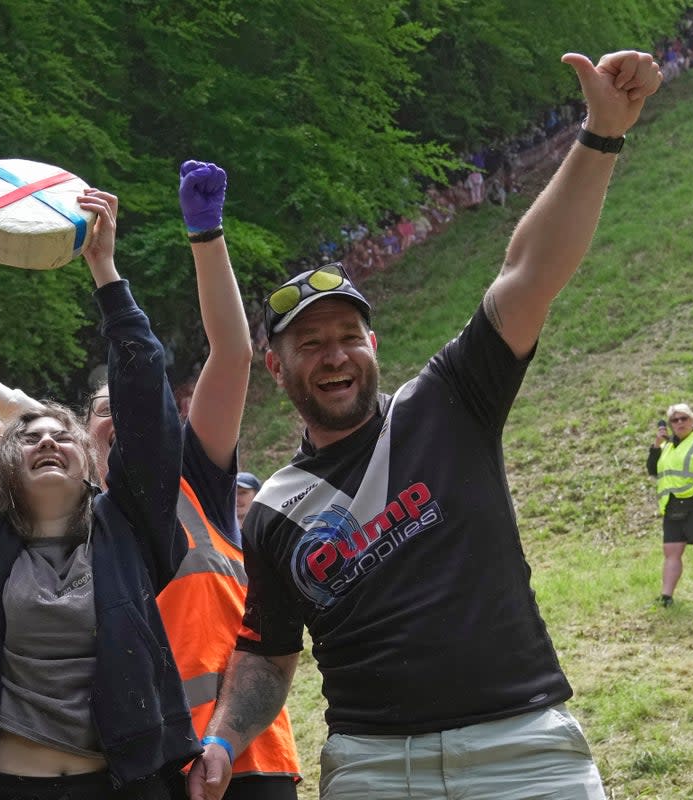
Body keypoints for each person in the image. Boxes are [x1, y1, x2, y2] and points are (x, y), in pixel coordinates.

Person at [188, 50, 663, 800]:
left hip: (525, 751)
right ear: (277, 372)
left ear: (373, 347)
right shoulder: (274, 508)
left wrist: (600, 137)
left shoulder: (448, 402)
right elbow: (267, 654)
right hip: (375, 770)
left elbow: (527, 270)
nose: (334, 355)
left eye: (348, 336)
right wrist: (222, 735)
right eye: (309, 344)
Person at [0, 162, 301, 800]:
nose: (120, 420)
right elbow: (43, 428)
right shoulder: (79, 528)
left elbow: (232, 352)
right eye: (101, 416)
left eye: (133, 411)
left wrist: (207, 237)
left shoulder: (194, 478)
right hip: (147, 766)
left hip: (249, 755)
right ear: (85, 449)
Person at [0, 178, 198, 800]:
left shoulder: (129, 524)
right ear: (4, 466)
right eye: (30, 435)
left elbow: (148, 400)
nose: (46, 440)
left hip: (122, 785)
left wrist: (106, 269)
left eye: (62, 434)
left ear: (93, 463)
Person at [647, 403, 693, 609]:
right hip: (673, 505)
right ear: (669, 424)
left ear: (692, 420)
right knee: (671, 550)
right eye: (675, 420)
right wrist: (656, 444)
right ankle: (666, 597)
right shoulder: (666, 445)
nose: (679, 423)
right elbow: (652, 470)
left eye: (683, 418)